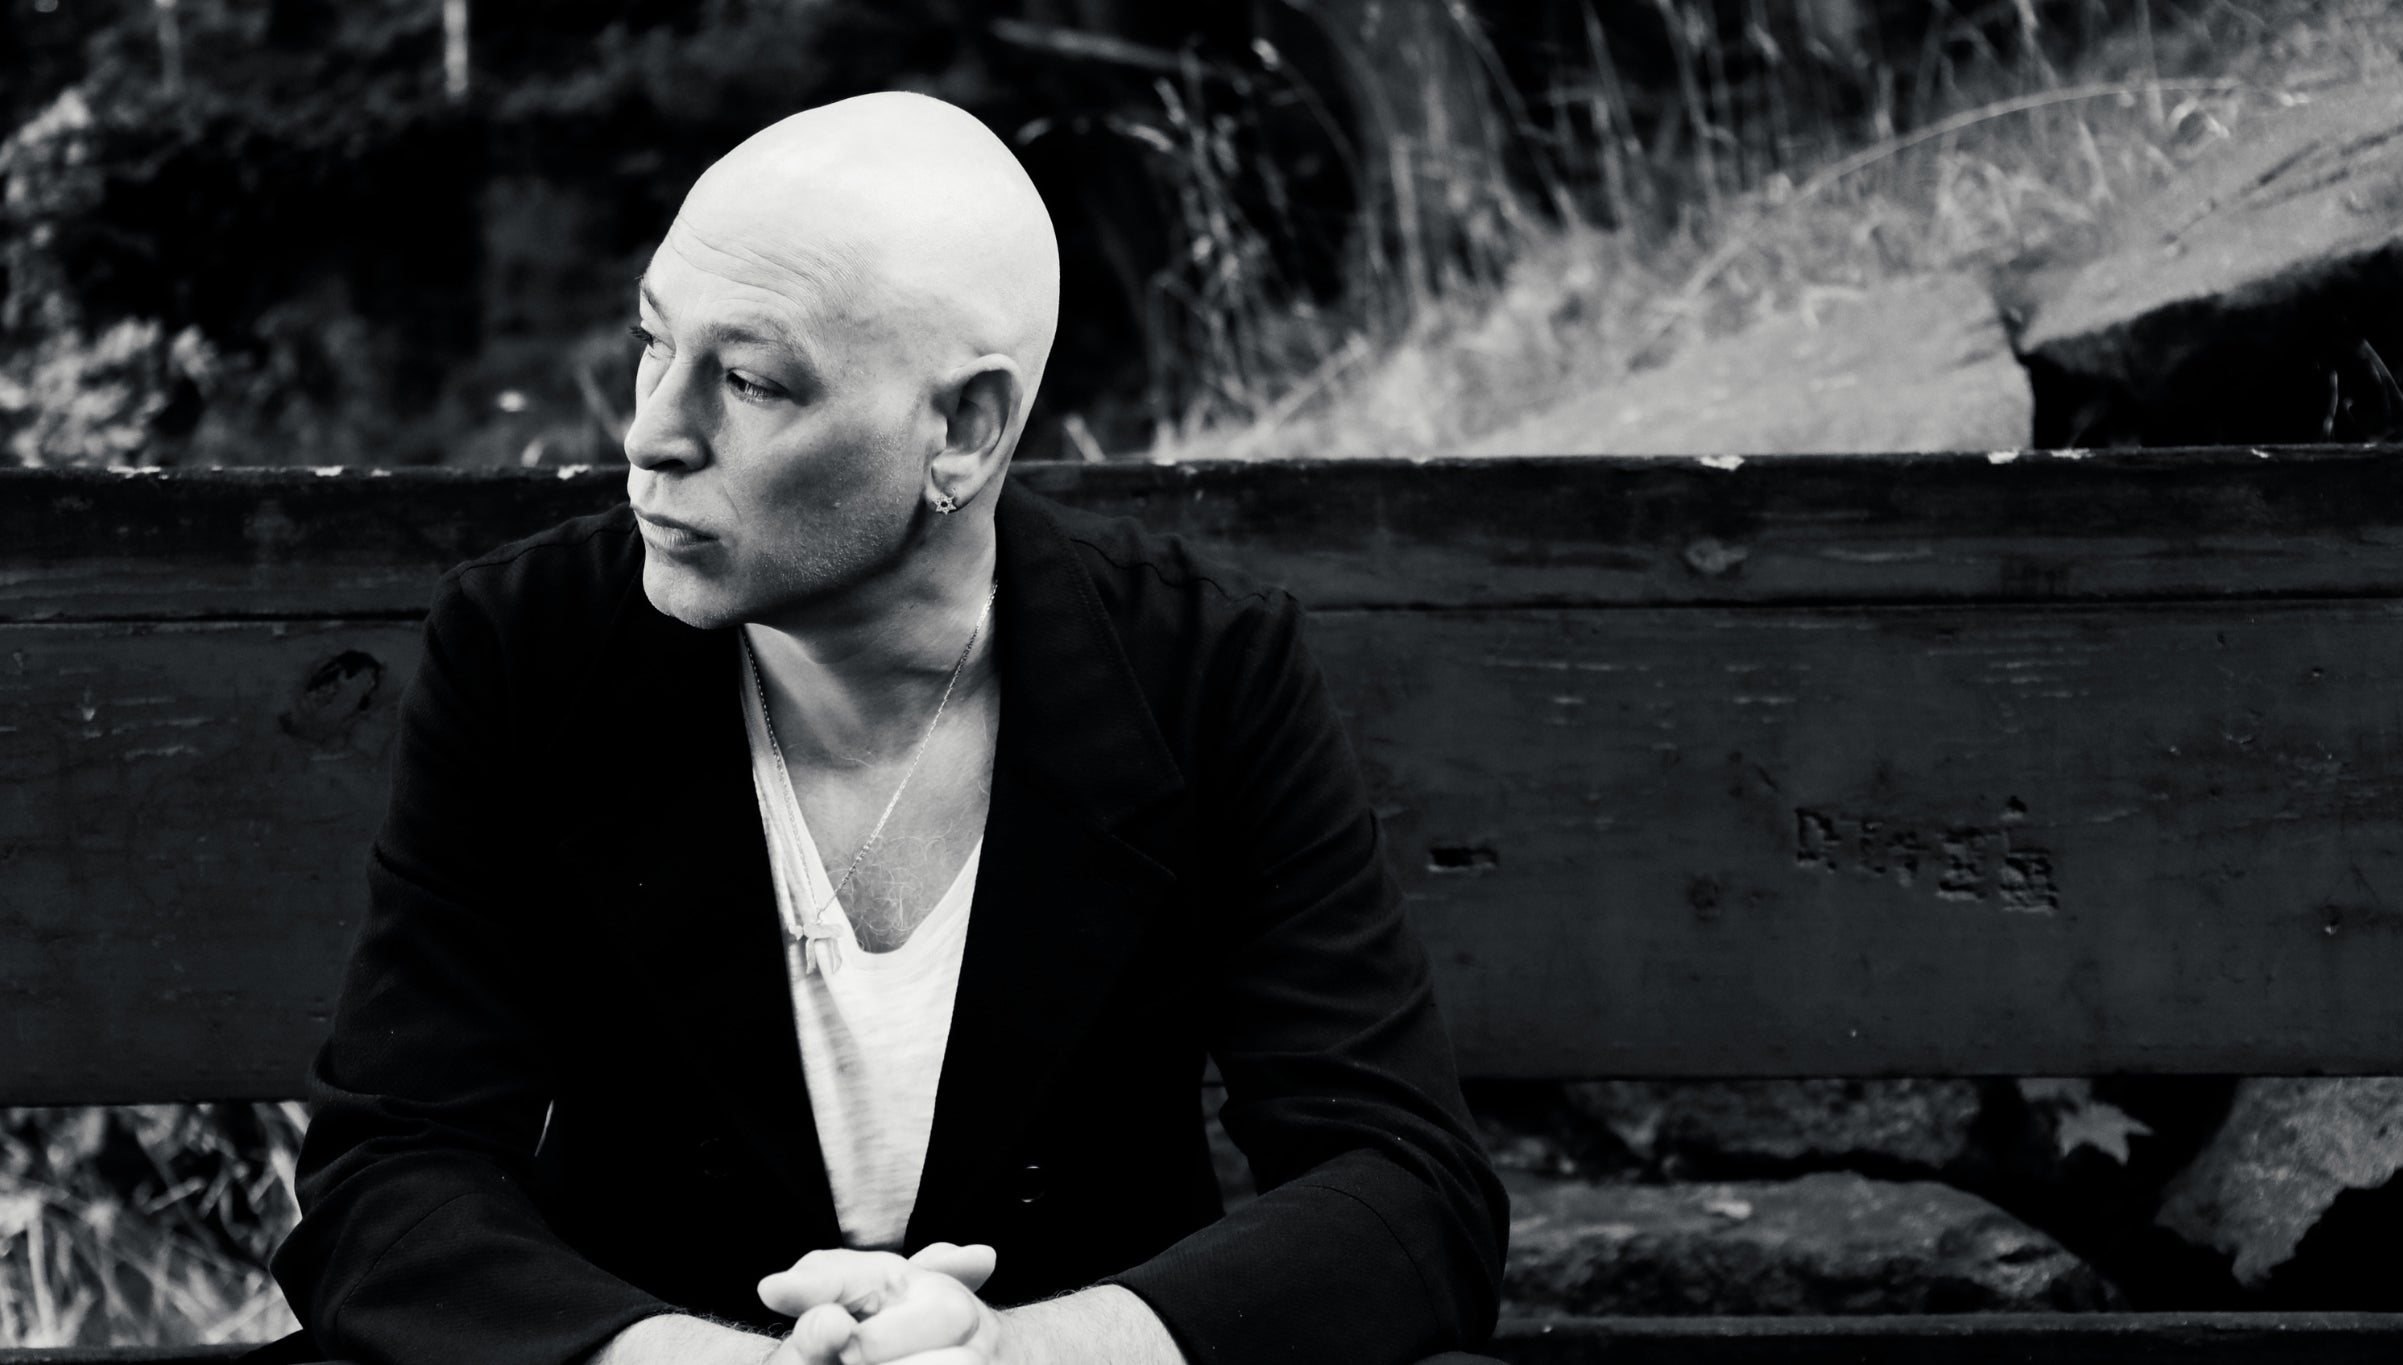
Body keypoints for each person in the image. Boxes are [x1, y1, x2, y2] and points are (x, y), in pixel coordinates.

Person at [261, 91, 1507, 1365]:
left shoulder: (1200, 668)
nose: (650, 434)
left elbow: (1403, 1186)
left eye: (748, 381)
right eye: (652, 343)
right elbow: (391, 1175)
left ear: (962, 431)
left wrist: (1025, 1357)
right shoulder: (534, 646)